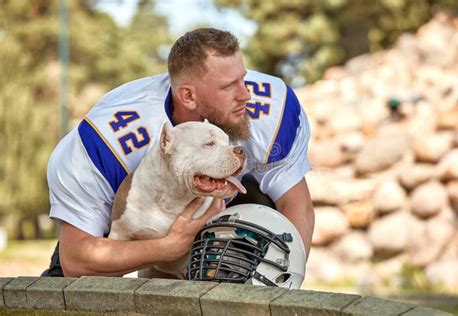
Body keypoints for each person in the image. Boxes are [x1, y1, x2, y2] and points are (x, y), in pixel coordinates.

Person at [43, 28, 314, 277]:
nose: (246, 95)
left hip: (216, 216)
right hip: (123, 223)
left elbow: (294, 204)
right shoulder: (102, 143)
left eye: (243, 78)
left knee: (262, 213)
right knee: (59, 298)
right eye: (228, 86)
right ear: (188, 97)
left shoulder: (272, 108)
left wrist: (282, 282)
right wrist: (169, 247)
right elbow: (78, 260)